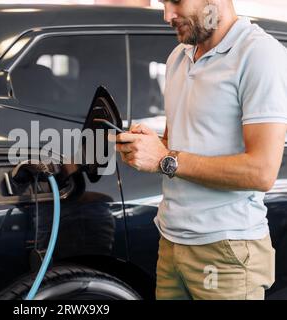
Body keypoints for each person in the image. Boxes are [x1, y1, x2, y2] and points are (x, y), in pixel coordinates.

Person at [115, 0, 287, 299]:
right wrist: (148, 146)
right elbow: (175, 146)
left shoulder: (260, 54)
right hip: (171, 241)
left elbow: (261, 172)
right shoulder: (178, 57)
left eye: (176, 2)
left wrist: (163, 158)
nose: (168, 15)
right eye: (163, 3)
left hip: (228, 250)